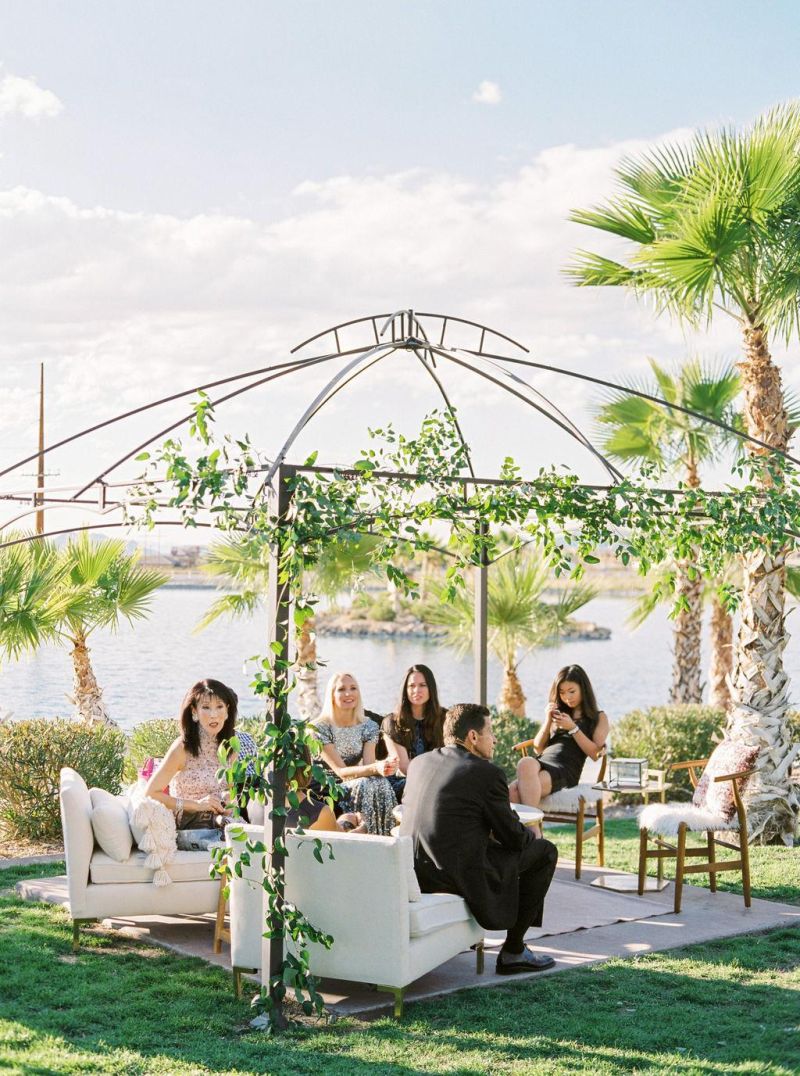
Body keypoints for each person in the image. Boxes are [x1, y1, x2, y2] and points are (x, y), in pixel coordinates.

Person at [400, 703, 558, 975]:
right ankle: (514, 951)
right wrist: (531, 834)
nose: (494, 739)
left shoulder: (419, 763)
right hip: (454, 876)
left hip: (414, 872)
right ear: (473, 737)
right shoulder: (486, 774)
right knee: (544, 852)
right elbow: (513, 838)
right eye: (491, 731)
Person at [144, 678, 257, 842]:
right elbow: (151, 793)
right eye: (206, 707)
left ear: (227, 711)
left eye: (219, 707)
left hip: (224, 822)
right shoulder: (182, 748)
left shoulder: (231, 747)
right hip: (192, 825)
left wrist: (228, 801)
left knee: (255, 843)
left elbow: (231, 791)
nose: (213, 715)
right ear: (194, 712)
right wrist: (197, 804)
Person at [509, 664, 609, 809]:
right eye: (562, 692)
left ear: (583, 689)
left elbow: (595, 754)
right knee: (525, 763)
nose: (567, 697)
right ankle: (531, 823)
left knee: (514, 790)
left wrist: (573, 728)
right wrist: (548, 719)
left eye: (571, 691)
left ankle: (531, 823)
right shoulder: (559, 713)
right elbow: (538, 748)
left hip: (566, 769)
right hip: (544, 761)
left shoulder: (599, 717)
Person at [312, 672, 398, 835]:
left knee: (379, 782)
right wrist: (376, 768)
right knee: (367, 783)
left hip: (352, 781)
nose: (348, 693)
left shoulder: (368, 726)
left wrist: (386, 767)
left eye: (353, 688)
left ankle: (383, 834)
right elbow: (341, 772)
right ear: (331, 695)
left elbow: (369, 765)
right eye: (341, 689)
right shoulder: (320, 728)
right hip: (325, 785)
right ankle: (366, 832)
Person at [378, 663, 446, 800]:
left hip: (440, 779)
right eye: (411, 686)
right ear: (405, 689)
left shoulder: (445, 718)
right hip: (404, 782)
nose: (416, 690)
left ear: (431, 688)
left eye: (422, 685)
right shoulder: (392, 722)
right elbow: (404, 767)